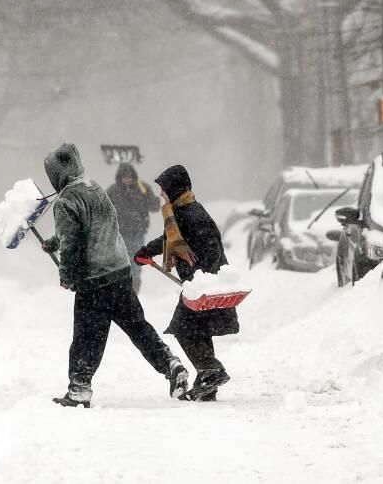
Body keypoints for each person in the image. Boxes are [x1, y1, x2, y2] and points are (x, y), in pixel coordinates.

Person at [41, 143, 189, 408]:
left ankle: (79, 389)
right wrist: (55, 242)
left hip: (94, 280)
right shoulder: (94, 188)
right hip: (119, 274)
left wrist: (67, 275)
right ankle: (172, 365)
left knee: (86, 337)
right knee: (138, 328)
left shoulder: (66, 201)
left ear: (57, 174)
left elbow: (73, 240)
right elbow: (90, 227)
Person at [134, 165, 239, 402]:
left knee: (184, 328)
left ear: (175, 189)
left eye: (164, 189)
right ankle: (208, 383)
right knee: (198, 330)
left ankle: (211, 371)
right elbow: (171, 239)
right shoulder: (182, 211)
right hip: (200, 283)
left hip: (205, 284)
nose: (161, 194)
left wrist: (201, 277)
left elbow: (212, 248)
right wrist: (147, 251)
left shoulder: (192, 214)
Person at [106, 162, 161, 292]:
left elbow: (155, 207)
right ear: (119, 177)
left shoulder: (142, 188)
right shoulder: (113, 191)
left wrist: (153, 200)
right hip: (119, 235)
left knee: (136, 263)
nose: (127, 179)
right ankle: (121, 291)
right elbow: (104, 210)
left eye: (130, 177)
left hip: (137, 234)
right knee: (120, 264)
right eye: (124, 177)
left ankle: (134, 291)